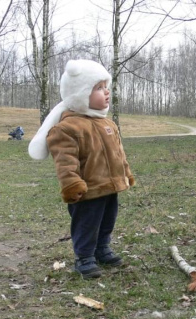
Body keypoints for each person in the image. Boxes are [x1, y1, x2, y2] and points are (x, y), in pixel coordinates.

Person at [28, 59, 135, 279]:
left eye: (106, 87)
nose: (106, 92)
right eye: (98, 88)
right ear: (80, 93)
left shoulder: (108, 124)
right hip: (86, 190)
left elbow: (118, 153)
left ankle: (102, 249)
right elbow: (65, 161)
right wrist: (71, 184)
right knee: (87, 224)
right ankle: (84, 257)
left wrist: (126, 172)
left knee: (107, 220)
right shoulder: (67, 127)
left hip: (110, 186)